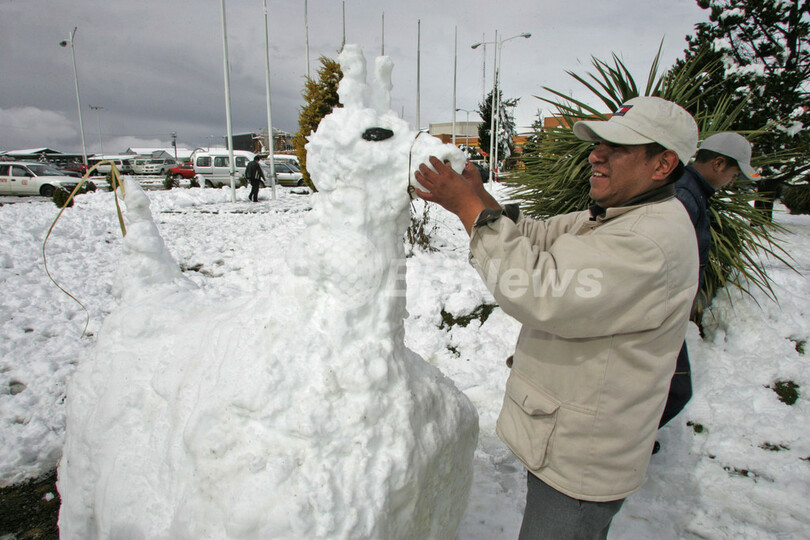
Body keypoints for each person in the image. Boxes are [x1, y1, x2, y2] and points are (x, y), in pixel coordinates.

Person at [414, 96, 699, 539]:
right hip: (567, 440)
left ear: (662, 164)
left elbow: (536, 289)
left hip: (583, 458)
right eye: (599, 142)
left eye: (618, 147)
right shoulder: (622, 215)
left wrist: (467, 209)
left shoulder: (648, 241)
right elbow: (537, 237)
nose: (596, 154)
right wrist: (479, 197)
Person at [660, 132, 760, 430]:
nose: (732, 180)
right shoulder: (685, 197)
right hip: (662, 312)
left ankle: (626, 443)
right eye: (733, 172)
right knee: (676, 391)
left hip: (666, 310)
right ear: (718, 163)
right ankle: (622, 445)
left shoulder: (691, 192)